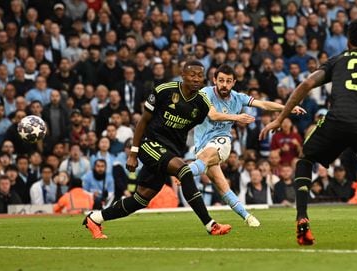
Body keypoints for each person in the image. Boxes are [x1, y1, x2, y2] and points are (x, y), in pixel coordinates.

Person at [260, 19, 357, 245]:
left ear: (349, 41)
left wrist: (280, 118)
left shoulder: (338, 60)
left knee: (305, 159)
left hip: (338, 121)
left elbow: (305, 85)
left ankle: (302, 216)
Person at [83, 60, 242, 239]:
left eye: (200, 76)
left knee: (140, 199)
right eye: (193, 75)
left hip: (170, 151)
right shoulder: (164, 91)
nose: (197, 79)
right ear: (183, 75)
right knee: (184, 171)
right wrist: (134, 152)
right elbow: (142, 121)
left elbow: (209, 124)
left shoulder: (202, 103)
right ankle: (210, 225)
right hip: (149, 143)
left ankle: (95, 219)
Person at [190, 64, 305, 227]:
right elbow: (213, 115)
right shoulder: (205, 93)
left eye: (228, 81)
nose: (224, 84)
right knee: (223, 187)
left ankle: (186, 173)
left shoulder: (238, 97)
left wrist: (289, 108)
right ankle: (248, 217)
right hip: (201, 144)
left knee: (207, 156)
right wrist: (237, 118)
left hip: (222, 141)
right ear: (214, 80)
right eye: (221, 80)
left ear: (234, 82)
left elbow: (263, 104)